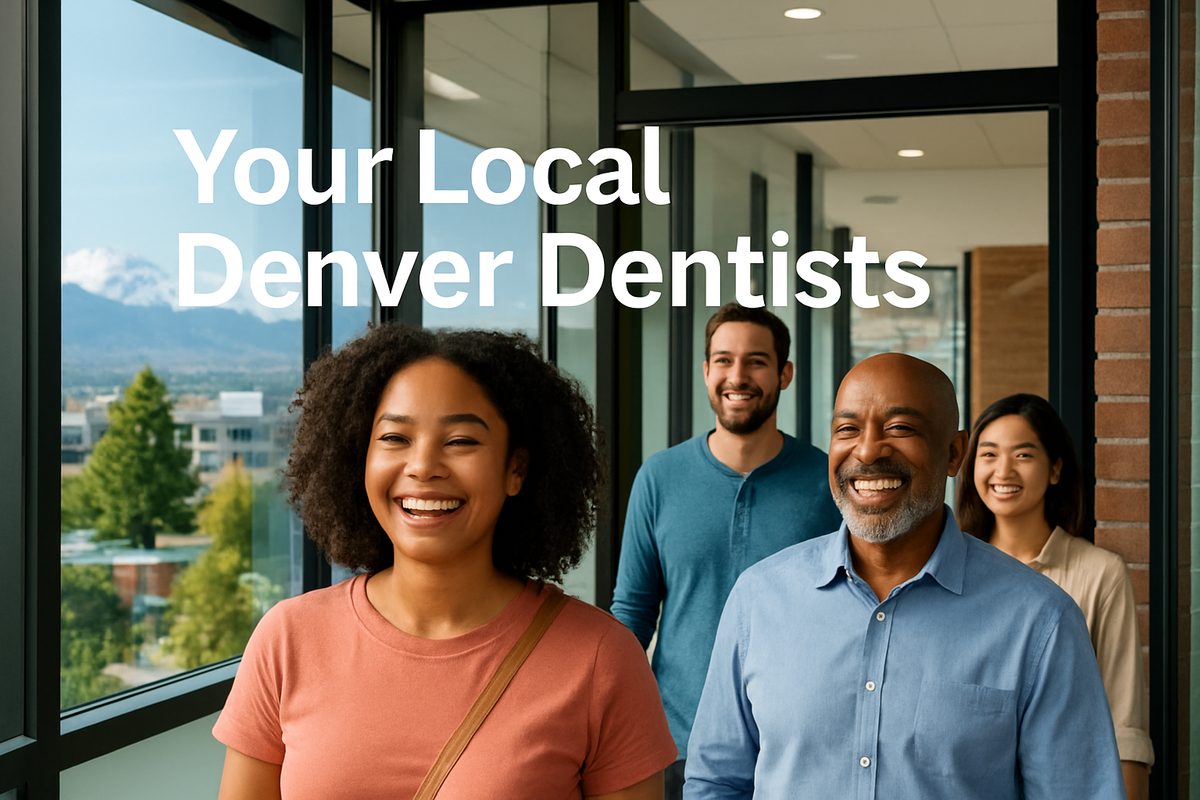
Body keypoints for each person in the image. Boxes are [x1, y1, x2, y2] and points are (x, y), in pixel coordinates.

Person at [213, 325, 676, 800]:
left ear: (515, 470)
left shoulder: (600, 659)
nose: (423, 465)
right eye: (395, 437)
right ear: (361, 457)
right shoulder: (287, 640)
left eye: (460, 441)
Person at [685, 353, 1123, 799]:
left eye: (900, 428)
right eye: (847, 429)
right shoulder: (759, 599)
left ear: (954, 453)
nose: (869, 450)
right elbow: (716, 783)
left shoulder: (1040, 621)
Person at [611, 302, 839, 798]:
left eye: (757, 361)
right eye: (723, 360)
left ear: (785, 374)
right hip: (674, 744)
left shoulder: (826, 481)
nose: (738, 375)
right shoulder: (660, 477)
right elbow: (632, 612)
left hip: (794, 744)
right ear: (705, 371)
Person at [956, 393, 1153, 800]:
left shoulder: (1101, 573)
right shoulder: (950, 568)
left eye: (1023, 455)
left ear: (1055, 470)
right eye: (988, 454)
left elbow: (1124, 725)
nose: (1003, 470)